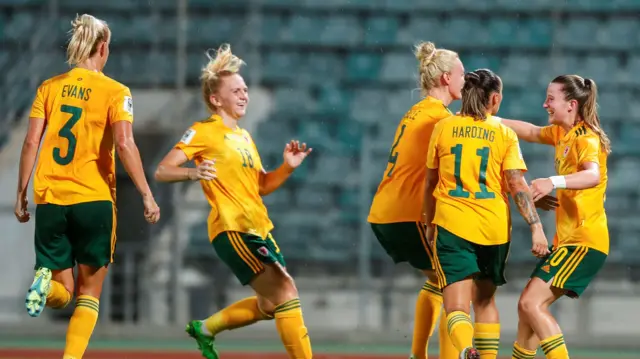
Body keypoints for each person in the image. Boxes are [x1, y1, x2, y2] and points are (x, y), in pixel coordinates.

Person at [15, 14, 160, 359]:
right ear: (103, 47)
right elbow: (124, 145)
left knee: (62, 291)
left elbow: (31, 142)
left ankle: (44, 285)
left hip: (51, 199)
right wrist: (145, 193)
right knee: (88, 293)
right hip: (93, 200)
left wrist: (21, 193)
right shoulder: (116, 92)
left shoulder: (48, 88)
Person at [154, 44, 313, 359]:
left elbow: (262, 185)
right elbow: (162, 170)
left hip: (257, 227)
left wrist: (286, 167)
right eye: (236, 90)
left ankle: (206, 328)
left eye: (245, 89)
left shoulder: (244, 137)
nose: (244, 95)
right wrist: (192, 173)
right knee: (286, 292)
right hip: (232, 228)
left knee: (270, 305)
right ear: (216, 99)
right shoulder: (202, 131)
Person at [423, 69, 550, 359]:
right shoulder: (504, 133)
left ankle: (467, 349)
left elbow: (430, 182)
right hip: (493, 229)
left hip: (452, 224)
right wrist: (535, 227)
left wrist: (430, 225)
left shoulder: (443, 128)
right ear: (495, 98)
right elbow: (516, 184)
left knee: (456, 307)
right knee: (484, 301)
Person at [501, 75, 609, 359]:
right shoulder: (562, 134)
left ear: (571, 104)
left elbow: (592, 174)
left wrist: (553, 181)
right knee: (527, 314)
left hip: (583, 240)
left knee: (530, 304)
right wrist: (488, 120)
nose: (544, 104)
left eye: (551, 99)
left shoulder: (586, 136)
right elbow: (532, 132)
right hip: (569, 241)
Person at [367, 41, 463, 359]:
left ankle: (418, 355)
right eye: (462, 73)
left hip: (386, 211)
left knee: (439, 279)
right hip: (407, 213)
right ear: (447, 78)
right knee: (457, 286)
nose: (466, 79)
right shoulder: (440, 119)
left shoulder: (418, 111)